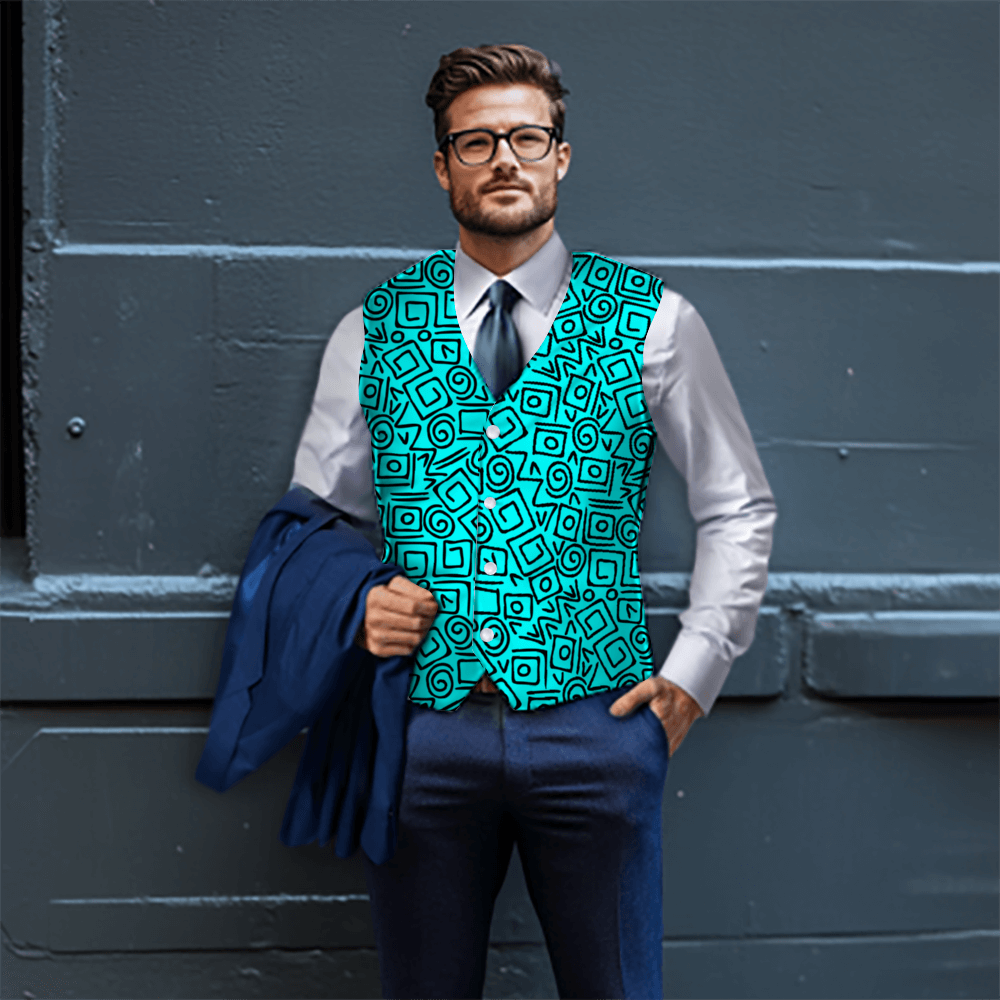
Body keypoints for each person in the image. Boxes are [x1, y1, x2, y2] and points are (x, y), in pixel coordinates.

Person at [292, 42, 777, 1000]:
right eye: (476, 144)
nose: (504, 159)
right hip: (422, 730)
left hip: (596, 725)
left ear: (561, 155)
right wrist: (358, 604)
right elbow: (315, 521)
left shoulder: (655, 321)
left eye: (526, 136)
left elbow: (737, 502)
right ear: (442, 168)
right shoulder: (373, 329)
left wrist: (693, 674)